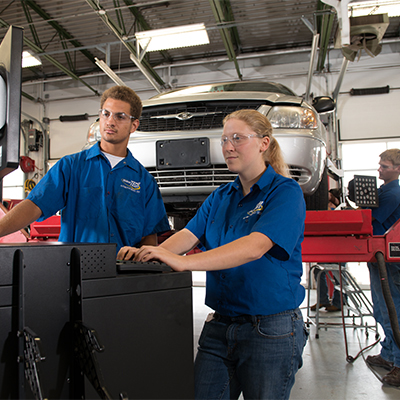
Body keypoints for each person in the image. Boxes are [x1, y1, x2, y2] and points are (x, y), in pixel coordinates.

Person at [118, 109, 308, 399]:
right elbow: (187, 235)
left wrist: (183, 263)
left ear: (264, 143)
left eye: (237, 138)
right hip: (221, 326)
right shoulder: (221, 196)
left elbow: (255, 247)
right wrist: (150, 252)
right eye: (223, 140)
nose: (228, 147)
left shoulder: (285, 192)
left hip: (271, 329)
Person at [0, 86, 170, 252]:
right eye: (106, 114)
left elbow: (150, 236)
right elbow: (34, 205)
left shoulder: (144, 181)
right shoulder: (71, 167)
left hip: (123, 274)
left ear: (134, 125)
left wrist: (143, 258)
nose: (110, 121)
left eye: (120, 116)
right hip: (76, 271)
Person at [364, 149, 400, 387]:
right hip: (379, 257)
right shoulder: (385, 190)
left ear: (397, 169)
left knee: (392, 309)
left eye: (385, 166)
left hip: (387, 258)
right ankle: (388, 354)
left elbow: (370, 219)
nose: (379, 169)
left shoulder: (393, 192)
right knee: (382, 308)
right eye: (380, 165)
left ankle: (399, 363)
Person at [310, 189, 346, 312]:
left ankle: (338, 302)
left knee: (339, 276)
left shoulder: (342, 209)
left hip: (339, 246)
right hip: (328, 246)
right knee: (318, 271)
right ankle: (323, 300)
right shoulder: (329, 208)